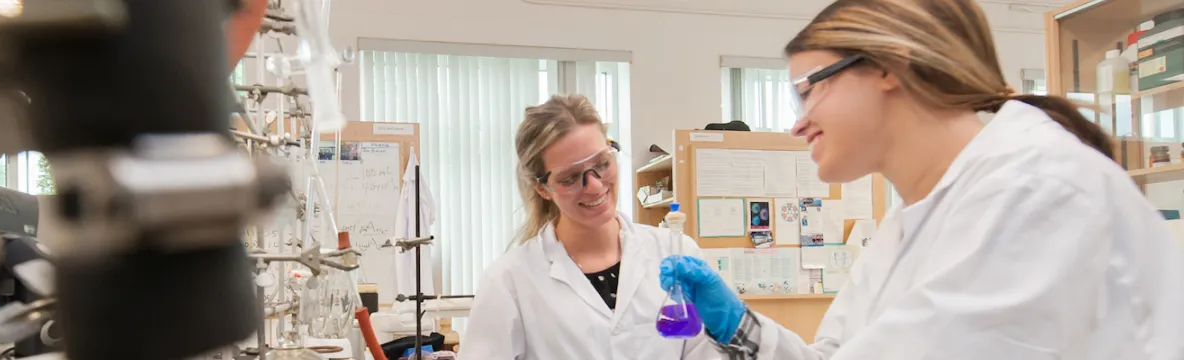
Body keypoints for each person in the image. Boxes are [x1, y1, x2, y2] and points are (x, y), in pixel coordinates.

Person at [659, 0, 1184, 359]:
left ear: (889, 66)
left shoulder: (1038, 189)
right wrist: (739, 330)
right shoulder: (913, 218)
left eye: (807, 90)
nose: (798, 122)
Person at [461, 94, 722, 359]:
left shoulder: (676, 252)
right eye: (571, 178)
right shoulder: (509, 281)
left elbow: (710, 350)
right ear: (542, 188)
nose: (595, 186)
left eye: (602, 164)